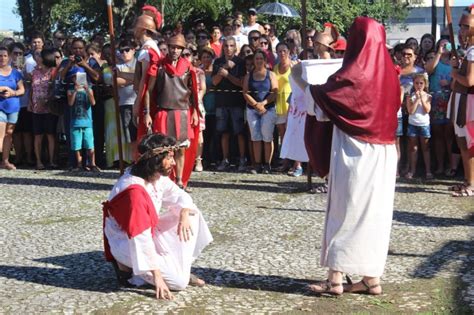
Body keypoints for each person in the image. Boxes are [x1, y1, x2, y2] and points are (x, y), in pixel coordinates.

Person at [292, 16, 400, 295]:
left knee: (345, 210)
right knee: (374, 216)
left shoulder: (354, 74)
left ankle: (335, 278)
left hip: (356, 151)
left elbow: (325, 103)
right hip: (385, 153)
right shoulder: (390, 74)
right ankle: (371, 277)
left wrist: (300, 80)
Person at [103, 133, 213, 298]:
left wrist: (183, 212)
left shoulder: (155, 175)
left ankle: (178, 268)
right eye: (169, 158)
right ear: (155, 160)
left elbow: (180, 196)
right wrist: (158, 278)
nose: (174, 163)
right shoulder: (134, 191)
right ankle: (130, 270)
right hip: (126, 241)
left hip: (148, 231)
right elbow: (140, 237)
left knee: (191, 214)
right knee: (179, 282)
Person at [146, 34, 199, 190]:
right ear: (168, 48)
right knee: (163, 150)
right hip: (163, 112)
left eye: (178, 48)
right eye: (172, 47)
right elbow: (148, 90)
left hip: (182, 112)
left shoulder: (188, 68)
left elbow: (193, 91)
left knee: (180, 149)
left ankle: (180, 181)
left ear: (182, 49)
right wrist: (147, 112)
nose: (175, 50)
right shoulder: (159, 66)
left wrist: (195, 111)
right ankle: (163, 180)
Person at [447, 6, 474, 197]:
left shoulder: (473, 52)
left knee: (468, 144)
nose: (461, 30)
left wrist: (454, 72)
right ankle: (467, 180)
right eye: (461, 26)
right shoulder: (468, 51)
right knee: (462, 143)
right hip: (460, 99)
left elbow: (470, 81)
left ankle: (471, 183)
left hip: (469, 101)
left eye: (465, 26)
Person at [212, 37, 247, 172]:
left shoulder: (240, 62)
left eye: (231, 46)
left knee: (239, 132)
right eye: (226, 46)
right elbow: (214, 82)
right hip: (221, 102)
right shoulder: (218, 62)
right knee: (224, 132)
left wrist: (227, 75)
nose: (228, 48)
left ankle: (242, 159)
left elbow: (241, 83)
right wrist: (224, 68)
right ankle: (225, 159)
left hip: (237, 102)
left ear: (235, 48)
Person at [243, 50, 278, 174]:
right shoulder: (249, 75)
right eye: (256, 59)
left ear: (265, 60)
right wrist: (255, 105)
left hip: (268, 109)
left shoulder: (271, 75)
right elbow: (245, 93)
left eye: (260, 59)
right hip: (252, 110)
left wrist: (263, 104)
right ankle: (257, 164)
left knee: (267, 137)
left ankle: (267, 164)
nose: (258, 61)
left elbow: (275, 92)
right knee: (255, 137)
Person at [425, 39, 456, 176]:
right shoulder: (435, 60)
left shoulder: (455, 62)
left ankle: (451, 165)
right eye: (442, 45)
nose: (445, 47)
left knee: (449, 134)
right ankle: (440, 165)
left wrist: (449, 84)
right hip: (436, 99)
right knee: (437, 134)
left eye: (447, 44)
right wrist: (438, 53)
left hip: (450, 98)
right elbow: (428, 69)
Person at [29, 49, 59, 170]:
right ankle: (39, 161)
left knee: (50, 135)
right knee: (38, 135)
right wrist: (30, 102)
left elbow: (55, 89)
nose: (38, 58)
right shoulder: (35, 72)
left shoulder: (53, 72)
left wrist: (47, 100)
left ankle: (51, 160)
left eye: (40, 56)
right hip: (36, 108)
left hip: (49, 108)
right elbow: (32, 88)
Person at [67, 70, 100, 172]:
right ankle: (79, 164)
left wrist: (87, 90)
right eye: (75, 77)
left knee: (90, 144)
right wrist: (75, 91)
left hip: (87, 122)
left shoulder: (89, 89)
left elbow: (93, 102)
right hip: (75, 122)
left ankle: (92, 163)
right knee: (76, 145)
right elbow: (70, 103)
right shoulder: (70, 90)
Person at [0, 46, 25, 170]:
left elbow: (22, 90)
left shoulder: (15, 73)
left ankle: (5, 161)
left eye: (5, 55)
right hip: (0, 107)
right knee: (0, 133)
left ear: (9, 57)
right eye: (0, 56)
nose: (2, 58)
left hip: (13, 107)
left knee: (9, 134)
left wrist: (12, 92)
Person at [10, 42, 34, 167]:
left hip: (25, 102)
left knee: (27, 132)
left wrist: (23, 72)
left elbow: (33, 83)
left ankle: (29, 156)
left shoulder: (29, 64)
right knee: (16, 132)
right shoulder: (6, 65)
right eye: (15, 53)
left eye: (20, 53)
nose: (18, 55)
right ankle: (18, 156)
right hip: (12, 104)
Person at [405, 73, 432, 179]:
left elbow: (427, 110)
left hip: (424, 125)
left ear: (425, 84)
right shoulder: (409, 96)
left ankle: (428, 171)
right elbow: (410, 111)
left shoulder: (428, 96)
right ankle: (412, 170)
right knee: (413, 148)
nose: (419, 85)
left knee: (426, 148)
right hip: (413, 124)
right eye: (416, 83)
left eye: (421, 83)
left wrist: (422, 98)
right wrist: (416, 99)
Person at [116, 39, 138, 161]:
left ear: (134, 50)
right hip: (125, 104)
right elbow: (115, 81)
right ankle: (135, 161)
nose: (124, 53)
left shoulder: (139, 63)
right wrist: (134, 78)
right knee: (130, 136)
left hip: (139, 103)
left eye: (127, 50)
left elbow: (141, 78)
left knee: (142, 134)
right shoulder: (118, 66)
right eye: (121, 51)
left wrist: (125, 77)